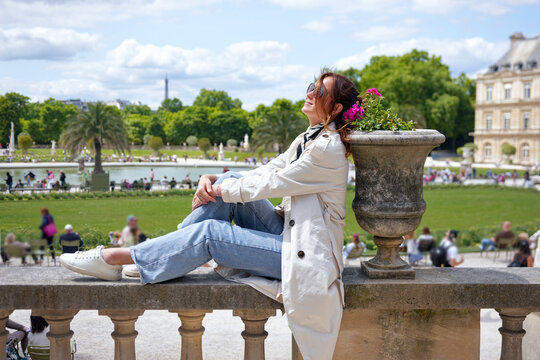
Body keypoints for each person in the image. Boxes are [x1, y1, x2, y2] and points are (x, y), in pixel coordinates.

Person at [60, 72, 356, 360]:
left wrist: (217, 188)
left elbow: (269, 184)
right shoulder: (310, 137)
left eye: (318, 92)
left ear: (336, 108)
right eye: (311, 86)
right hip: (293, 237)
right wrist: (214, 177)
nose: (308, 93)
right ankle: (157, 253)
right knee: (232, 181)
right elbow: (264, 171)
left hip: (306, 258)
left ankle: (116, 258)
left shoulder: (326, 149)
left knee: (211, 234)